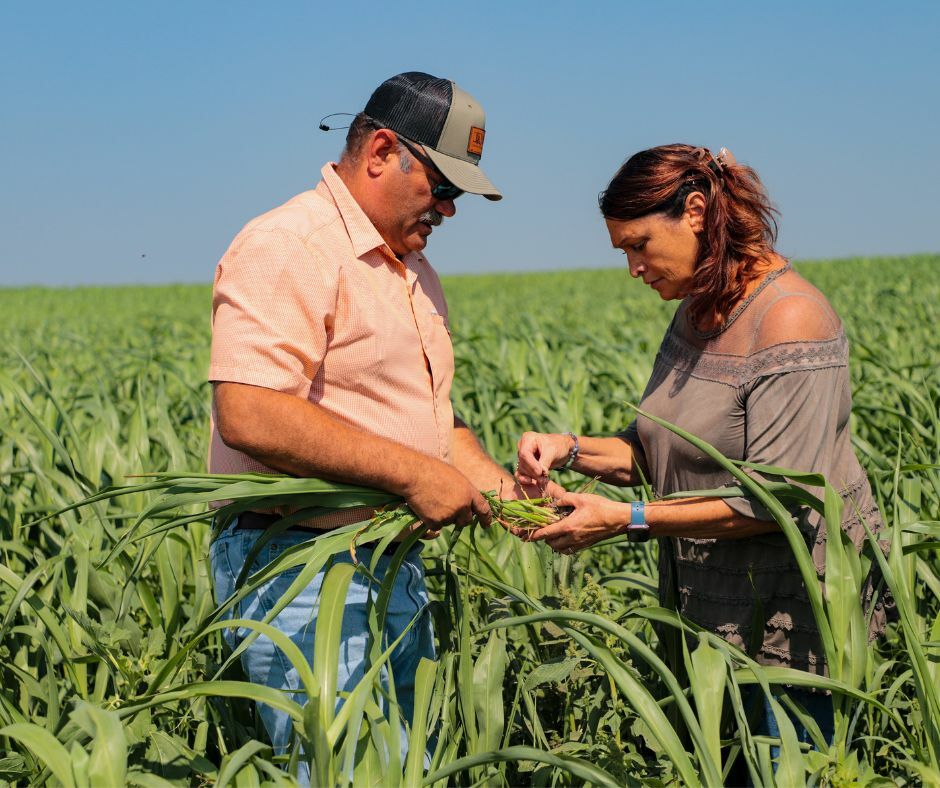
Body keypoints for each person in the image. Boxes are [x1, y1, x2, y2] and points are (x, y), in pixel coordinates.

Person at [514, 144, 889, 749]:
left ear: (694, 212)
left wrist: (625, 520)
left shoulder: (790, 319)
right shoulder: (696, 310)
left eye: (639, 245)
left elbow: (774, 500)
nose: (633, 268)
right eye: (623, 252)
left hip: (793, 629)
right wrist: (569, 449)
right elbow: (660, 450)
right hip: (712, 613)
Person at [206, 72, 525, 776]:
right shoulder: (292, 244)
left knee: (404, 770)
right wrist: (414, 476)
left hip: (387, 565)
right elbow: (249, 411)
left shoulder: (411, 270)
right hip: (304, 569)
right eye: (442, 186)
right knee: (344, 772)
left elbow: (434, 424)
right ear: (382, 151)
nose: (450, 208)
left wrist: (510, 498)